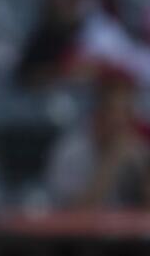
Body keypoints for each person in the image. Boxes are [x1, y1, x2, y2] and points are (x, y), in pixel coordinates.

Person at [44, 72, 150, 209]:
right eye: (115, 116)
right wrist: (111, 162)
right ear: (98, 116)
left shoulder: (137, 150)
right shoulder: (71, 152)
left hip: (128, 229)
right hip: (76, 229)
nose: (122, 124)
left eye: (127, 115)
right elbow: (73, 212)